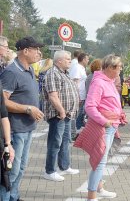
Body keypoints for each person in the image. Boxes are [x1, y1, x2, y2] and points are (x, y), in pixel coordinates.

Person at [74, 54, 125, 200]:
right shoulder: (99, 82)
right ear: (110, 68)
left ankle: (99, 188)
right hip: (104, 127)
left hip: (111, 125)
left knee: (103, 160)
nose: (121, 69)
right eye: (119, 67)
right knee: (100, 161)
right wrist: (105, 121)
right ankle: (92, 195)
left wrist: (118, 115)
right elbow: (90, 107)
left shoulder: (109, 80)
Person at [0, 36, 45, 201]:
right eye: (36, 49)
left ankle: (14, 196)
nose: (39, 53)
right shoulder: (11, 72)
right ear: (25, 51)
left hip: (27, 128)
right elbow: (2, 101)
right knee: (10, 172)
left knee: (21, 168)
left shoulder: (30, 69)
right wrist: (28, 109)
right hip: (15, 129)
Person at [42, 50, 80, 182]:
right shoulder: (53, 73)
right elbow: (53, 95)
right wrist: (61, 111)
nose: (70, 61)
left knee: (65, 141)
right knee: (55, 143)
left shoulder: (64, 73)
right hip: (58, 115)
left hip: (67, 114)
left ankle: (64, 166)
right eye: (68, 59)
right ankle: (49, 171)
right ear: (59, 61)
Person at [70, 53, 89, 133]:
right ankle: (75, 131)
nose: (88, 61)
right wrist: (77, 96)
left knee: (80, 114)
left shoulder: (82, 68)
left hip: (82, 95)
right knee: (78, 114)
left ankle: (78, 130)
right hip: (79, 95)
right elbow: (75, 82)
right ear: (84, 59)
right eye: (87, 59)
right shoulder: (77, 67)